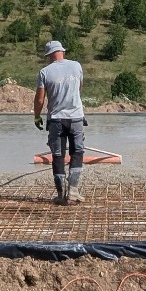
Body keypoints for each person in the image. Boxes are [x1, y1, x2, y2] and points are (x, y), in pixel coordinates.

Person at [33, 38, 86, 205]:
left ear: (49, 56)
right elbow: (79, 87)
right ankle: (73, 192)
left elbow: (40, 99)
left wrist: (36, 116)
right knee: (77, 153)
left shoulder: (45, 72)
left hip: (56, 120)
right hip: (76, 117)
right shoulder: (76, 66)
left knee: (57, 156)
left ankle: (61, 194)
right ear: (63, 52)